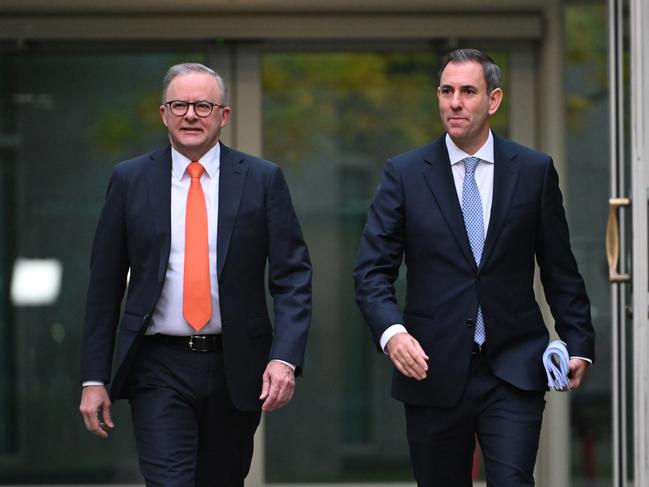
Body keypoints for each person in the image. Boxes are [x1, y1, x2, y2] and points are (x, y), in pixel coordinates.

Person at [353, 48, 595, 486]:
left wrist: (577, 341)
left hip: (514, 366)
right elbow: (371, 271)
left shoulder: (534, 171)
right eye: (446, 91)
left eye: (468, 91)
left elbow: (559, 266)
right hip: (431, 366)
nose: (455, 103)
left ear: (494, 100)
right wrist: (393, 334)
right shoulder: (405, 174)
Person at [78, 63, 312, 486]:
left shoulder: (262, 180)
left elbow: (293, 276)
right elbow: (104, 286)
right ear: (162, 113)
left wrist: (285, 357)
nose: (190, 115)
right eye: (179, 105)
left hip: (236, 364)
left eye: (203, 105)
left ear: (224, 115)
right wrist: (94, 377)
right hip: (158, 365)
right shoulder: (130, 180)